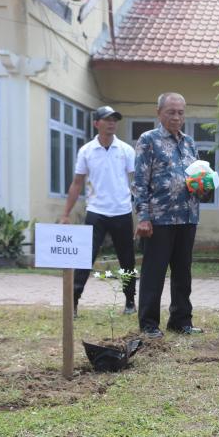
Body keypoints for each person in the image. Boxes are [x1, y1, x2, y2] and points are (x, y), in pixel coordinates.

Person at [134, 93, 203, 338]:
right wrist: (143, 217)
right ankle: (149, 324)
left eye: (180, 112)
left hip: (187, 216)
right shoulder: (148, 140)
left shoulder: (189, 142)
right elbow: (140, 182)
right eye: (171, 112)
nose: (176, 117)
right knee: (154, 273)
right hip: (158, 219)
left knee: (183, 272)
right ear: (159, 112)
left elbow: (195, 176)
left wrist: (202, 186)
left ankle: (181, 320)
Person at [61, 106, 137, 317]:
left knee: (127, 259)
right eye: (107, 119)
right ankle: (74, 303)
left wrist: (142, 213)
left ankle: (130, 301)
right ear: (97, 124)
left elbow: (136, 183)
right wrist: (66, 213)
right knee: (85, 258)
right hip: (96, 212)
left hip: (121, 211)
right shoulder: (86, 150)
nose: (112, 123)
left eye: (114, 119)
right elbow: (77, 183)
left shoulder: (126, 150)